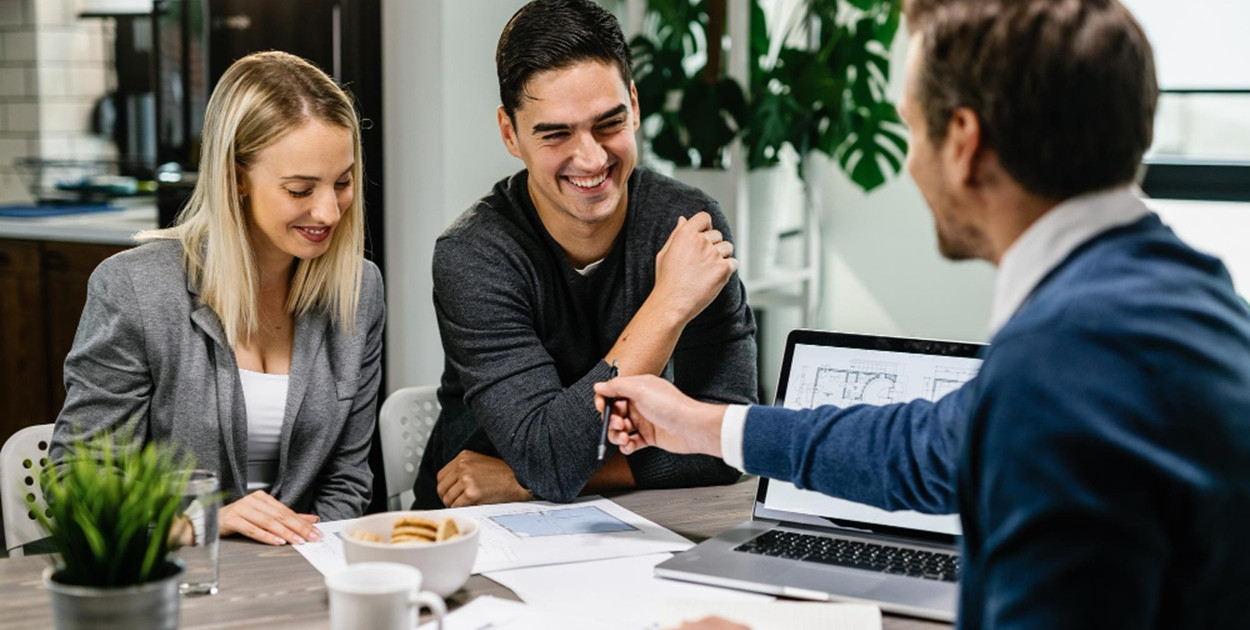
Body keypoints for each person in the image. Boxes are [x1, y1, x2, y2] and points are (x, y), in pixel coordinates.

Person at [598, 0, 1250, 628]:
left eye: (911, 126)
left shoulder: (1063, 366)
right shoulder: (1184, 296)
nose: (910, 160)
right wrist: (704, 426)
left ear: (963, 141)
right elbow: (925, 449)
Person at [413, 0, 757, 509]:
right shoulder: (474, 254)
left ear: (634, 106)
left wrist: (529, 476)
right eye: (556, 134)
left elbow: (729, 441)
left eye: (608, 124)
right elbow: (549, 458)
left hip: (630, 524)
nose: (592, 158)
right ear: (510, 133)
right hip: (478, 528)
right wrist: (668, 306)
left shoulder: (686, 227)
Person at [51, 51, 384, 546]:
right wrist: (203, 524)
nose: (329, 211)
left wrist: (302, 563)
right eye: (299, 189)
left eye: (343, 182)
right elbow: (77, 485)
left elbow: (348, 479)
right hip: (174, 580)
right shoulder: (135, 290)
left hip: (303, 577)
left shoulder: (358, 290)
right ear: (235, 178)